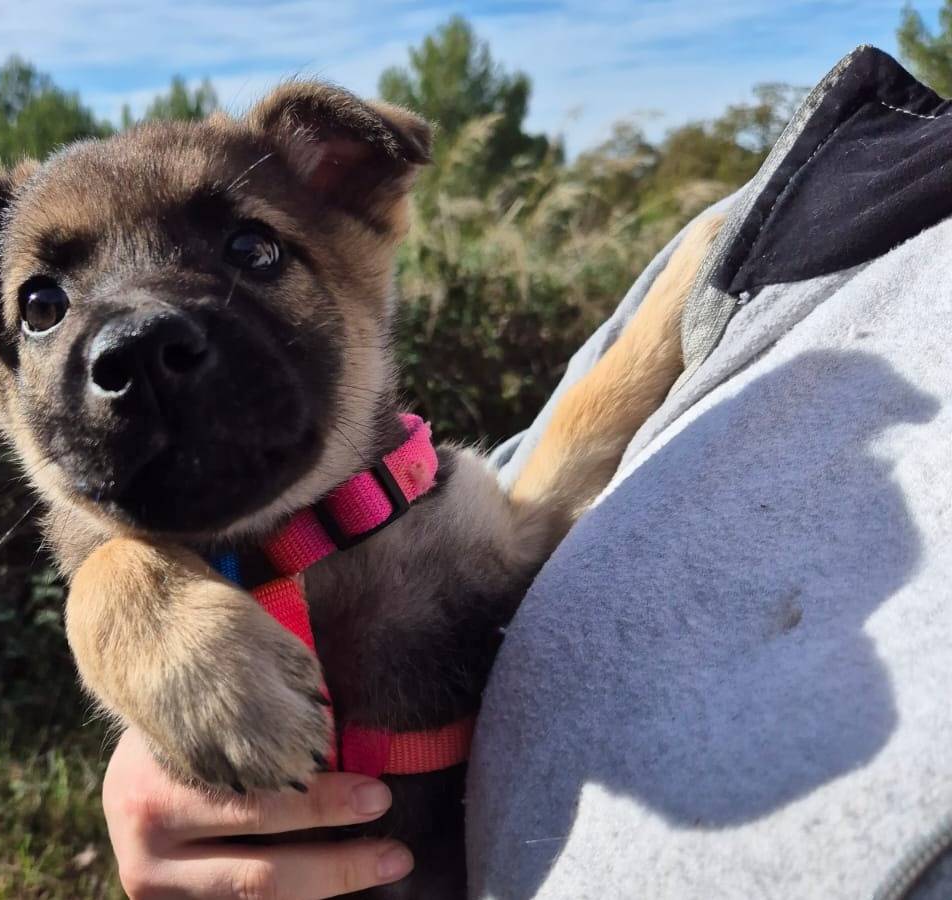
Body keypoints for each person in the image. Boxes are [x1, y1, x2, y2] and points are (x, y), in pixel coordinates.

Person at [102, 45, 952, 899]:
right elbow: (533, 493)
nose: (139, 334)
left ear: (349, 193)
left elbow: (523, 512)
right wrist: (123, 609)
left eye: (250, 250)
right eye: (42, 305)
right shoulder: (838, 181)